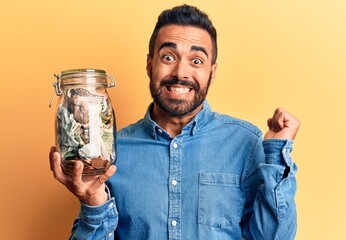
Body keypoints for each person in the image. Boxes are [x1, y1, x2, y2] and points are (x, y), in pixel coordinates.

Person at [50, 4, 300, 240]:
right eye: (168, 57)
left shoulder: (246, 143)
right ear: (150, 65)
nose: (181, 73)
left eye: (196, 61)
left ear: (211, 73)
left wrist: (276, 155)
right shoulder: (111, 152)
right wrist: (93, 203)